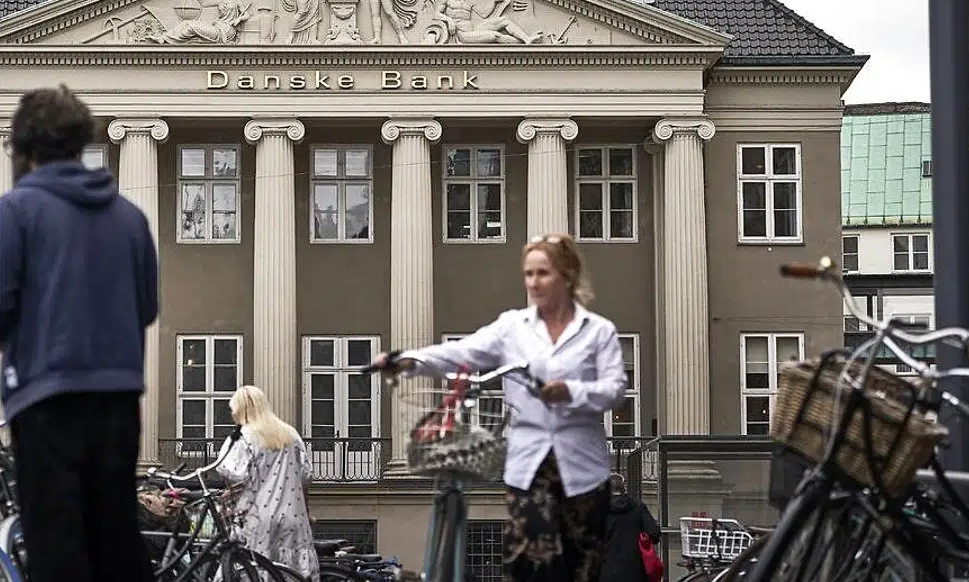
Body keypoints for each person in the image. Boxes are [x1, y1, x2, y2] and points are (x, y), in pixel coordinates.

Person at [0, 85, 159, 582]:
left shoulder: (16, 211)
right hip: (118, 398)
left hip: (45, 399)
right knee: (117, 538)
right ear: (82, 142)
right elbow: (147, 309)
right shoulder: (131, 218)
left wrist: (32, 342)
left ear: (24, 148)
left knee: (57, 543)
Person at [372, 232, 627, 582]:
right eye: (528, 274)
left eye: (543, 273)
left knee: (581, 566)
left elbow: (615, 390)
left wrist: (569, 391)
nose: (534, 282)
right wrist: (407, 360)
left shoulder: (598, 332)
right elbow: (461, 353)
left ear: (566, 275)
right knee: (528, 558)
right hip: (529, 465)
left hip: (583, 468)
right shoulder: (513, 328)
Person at [215, 385, 319, 581]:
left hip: (257, 518)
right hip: (293, 517)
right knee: (291, 573)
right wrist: (307, 511)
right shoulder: (290, 434)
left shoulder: (243, 437)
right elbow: (305, 478)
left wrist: (229, 502)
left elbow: (233, 476)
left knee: (254, 570)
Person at [601, 474, 662, 582]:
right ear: (624, 488)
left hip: (606, 571)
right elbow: (654, 533)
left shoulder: (599, 510)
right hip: (635, 571)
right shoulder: (637, 507)